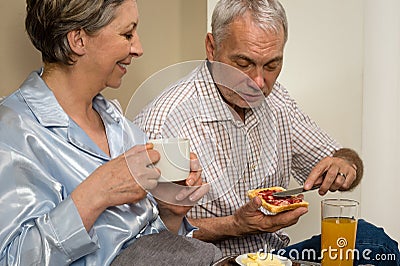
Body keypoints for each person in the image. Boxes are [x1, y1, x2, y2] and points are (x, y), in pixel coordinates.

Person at [134, 0, 400, 264]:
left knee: (371, 242)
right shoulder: (165, 120)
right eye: (244, 64)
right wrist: (235, 224)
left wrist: (345, 165)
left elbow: (341, 163)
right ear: (212, 48)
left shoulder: (277, 101)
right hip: (211, 260)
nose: (258, 83)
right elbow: (148, 240)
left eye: (272, 66)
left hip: (273, 256)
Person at [0, 0, 219, 265]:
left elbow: (147, 247)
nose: (138, 48)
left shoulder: (121, 127)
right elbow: (14, 259)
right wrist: (97, 192)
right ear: (78, 40)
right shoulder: (13, 131)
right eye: (127, 34)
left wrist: (171, 214)